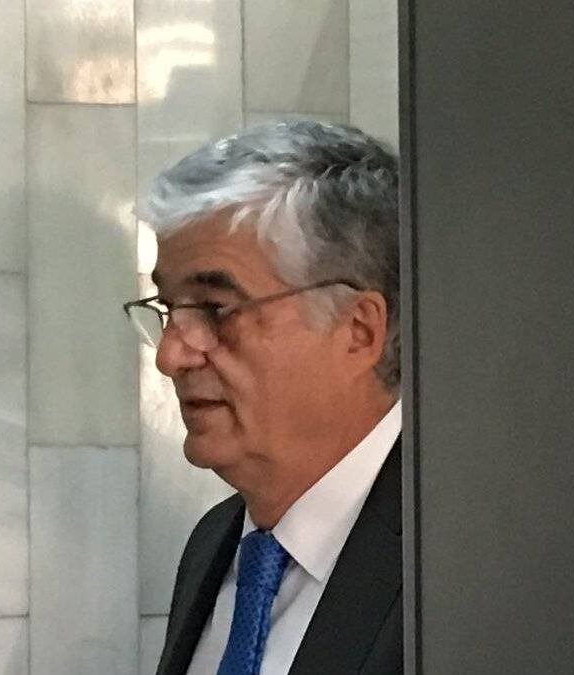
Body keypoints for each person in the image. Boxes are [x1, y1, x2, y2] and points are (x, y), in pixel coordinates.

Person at [125, 120, 402, 675]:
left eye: (215, 309)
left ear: (358, 331)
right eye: (169, 310)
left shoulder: (456, 561)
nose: (170, 356)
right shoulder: (215, 544)